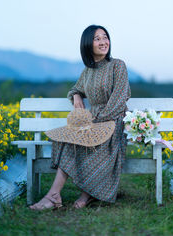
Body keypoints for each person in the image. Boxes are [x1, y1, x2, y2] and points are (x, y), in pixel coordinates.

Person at [29, 24, 131, 210]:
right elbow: (74, 89)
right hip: (93, 123)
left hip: (113, 122)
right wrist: (76, 96)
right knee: (71, 140)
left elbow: (119, 99)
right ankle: (54, 195)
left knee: (85, 141)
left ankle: (86, 194)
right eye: (97, 38)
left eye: (105, 37)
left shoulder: (117, 65)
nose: (103, 42)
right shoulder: (87, 72)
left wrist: (95, 120)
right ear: (87, 44)